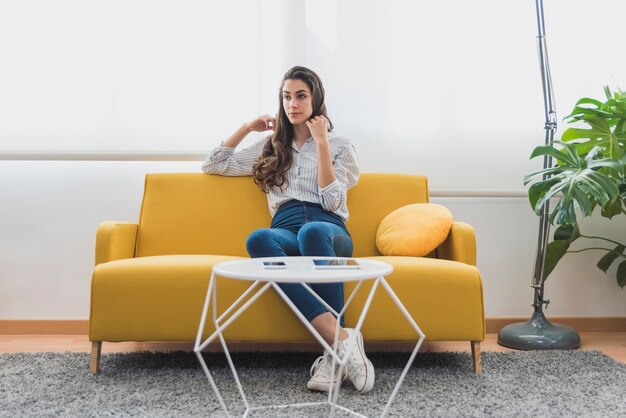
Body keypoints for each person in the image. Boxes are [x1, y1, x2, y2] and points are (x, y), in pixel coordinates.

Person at [201, 66, 374, 394]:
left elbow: (333, 200)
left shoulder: (339, 144)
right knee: (259, 238)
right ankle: (340, 341)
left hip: (328, 229)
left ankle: (332, 353)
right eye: (286, 96)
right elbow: (213, 164)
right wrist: (247, 127)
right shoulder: (271, 145)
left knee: (312, 233)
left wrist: (321, 142)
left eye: (301, 96)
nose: (292, 103)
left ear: (315, 100)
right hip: (285, 226)